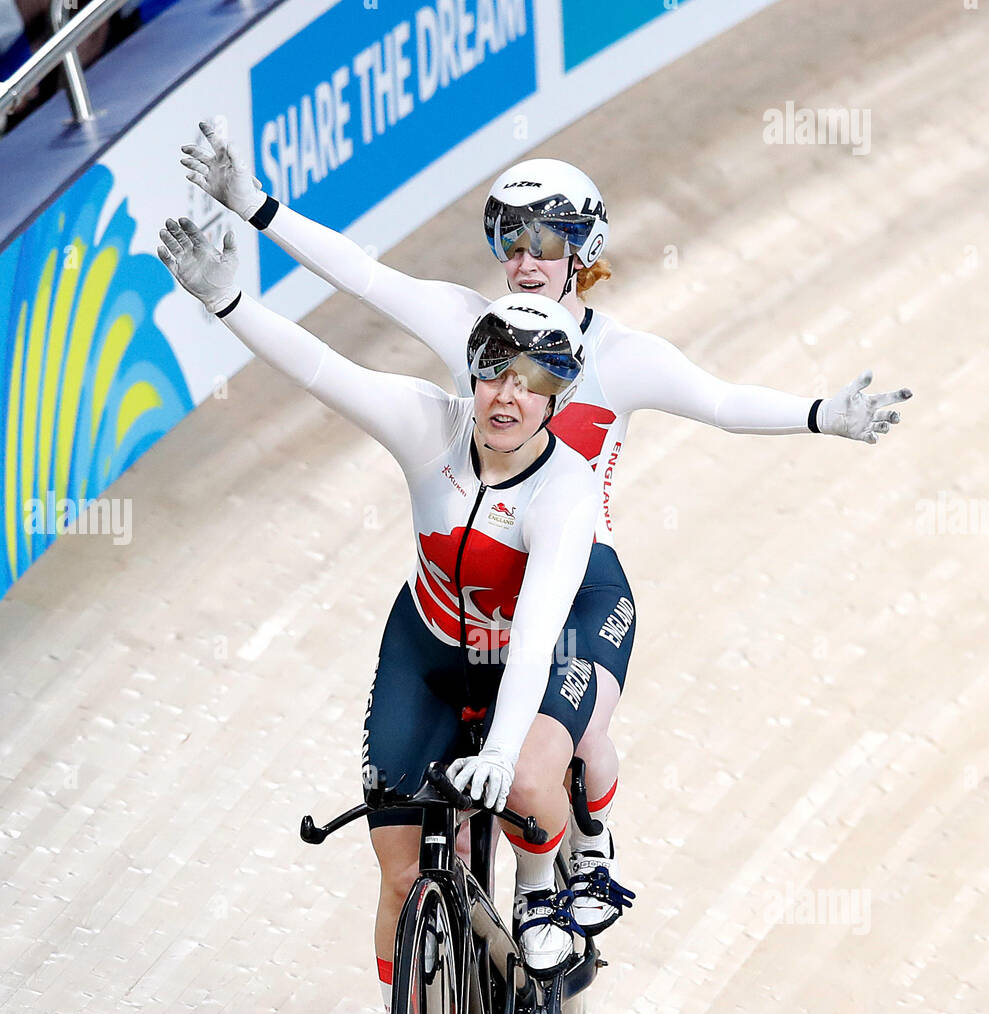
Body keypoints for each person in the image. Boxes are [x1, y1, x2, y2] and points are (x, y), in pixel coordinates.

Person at [180, 128, 913, 935]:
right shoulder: (472, 324)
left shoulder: (624, 357)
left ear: (585, 249)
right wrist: (248, 203)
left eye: (545, 242)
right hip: (471, 571)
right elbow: (362, 277)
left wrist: (819, 415)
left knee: (575, 730)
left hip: (568, 563)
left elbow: (723, 401)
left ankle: (586, 844)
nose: (524, 260)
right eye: (509, 241)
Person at [157, 216, 604, 1014]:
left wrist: (496, 749)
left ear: (559, 401)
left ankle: (538, 897)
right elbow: (322, 368)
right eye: (491, 374)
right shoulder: (423, 423)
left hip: (526, 651)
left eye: (530, 386)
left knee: (523, 781)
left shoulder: (566, 495)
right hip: (430, 646)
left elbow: (531, 638)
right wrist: (228, 298)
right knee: (401, 870)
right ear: (469, 375)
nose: (505, 399)